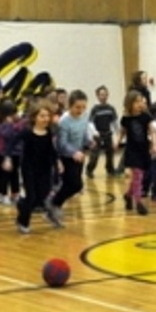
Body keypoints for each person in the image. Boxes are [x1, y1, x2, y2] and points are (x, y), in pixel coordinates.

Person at [12, 100, 59, 234]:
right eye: (42, 116)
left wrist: (57, 163)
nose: (46, 119)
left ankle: (21, 204)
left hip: (44, 169)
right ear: (34, 117)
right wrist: (8, 157)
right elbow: (12, 142)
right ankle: (23, 222)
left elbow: (51, 150)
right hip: (29, 169)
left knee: (42, 196)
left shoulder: (49, 132)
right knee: (31, 197)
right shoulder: (27, 133)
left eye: (47, 116)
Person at [47, 89, 91, 227]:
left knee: (73, 185)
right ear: (70, 105)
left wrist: (89, 141)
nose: (80, 110)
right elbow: (62, 143)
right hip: (67, 157)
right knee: (75, 184)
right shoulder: (64, 122)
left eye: (83, 107)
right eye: (77, 107)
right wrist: (73, 153)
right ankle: (54, 203)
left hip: (79, 155)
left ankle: (53, 206)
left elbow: (83, 134)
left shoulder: (84, 117)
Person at [118, 89, 156, 216]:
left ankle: (128, 195)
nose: (139, 104)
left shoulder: (146, 117)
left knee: (139, 176)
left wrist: (155, 145)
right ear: (129, 104)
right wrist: (116, 141)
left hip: (143, 149)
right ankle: (138, 202)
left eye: (141, 101)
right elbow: (122, 131)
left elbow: (152, 131)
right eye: (136, 102)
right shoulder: (126, 119)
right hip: (132, 150)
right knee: (138, 175)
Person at [86, 85, 119, 178]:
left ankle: (110, 170)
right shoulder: (95, 109)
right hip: (97, 135)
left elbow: (115, 122)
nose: (103, 96)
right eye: (101, 95)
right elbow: (90, 123)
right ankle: (89, 170)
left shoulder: (111, 108)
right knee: (95, 155)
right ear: (97, 96)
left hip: (108, 133)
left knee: (110, 153)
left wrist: (117, 134)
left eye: (105, 94)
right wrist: (94, 133)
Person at [0, 99, 23, 206]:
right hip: (3, 152)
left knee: (15, 173)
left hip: (16, 152)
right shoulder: (1, 124)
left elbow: (20, 134)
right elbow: (6, 135)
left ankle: (15, 193)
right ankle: (1, 193)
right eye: (11, 113)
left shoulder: (18, 122)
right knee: (3, 174)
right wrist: (9, 124)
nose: (14, 115)